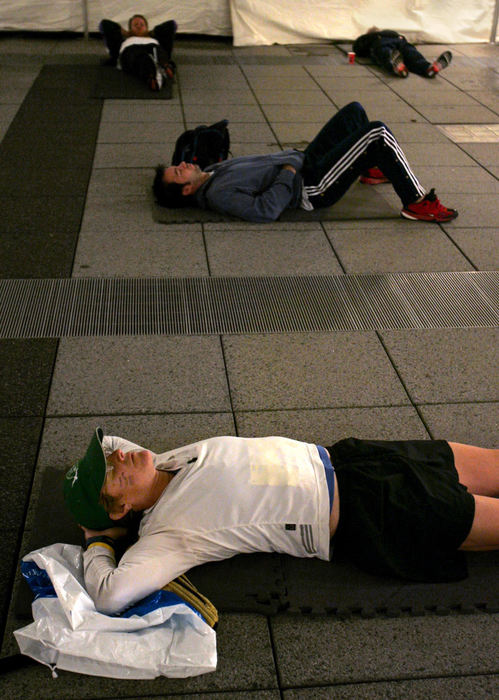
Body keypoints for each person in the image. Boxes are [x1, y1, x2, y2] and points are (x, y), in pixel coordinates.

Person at [64, 428, 498, 615]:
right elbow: (109, 595)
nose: (120, 455)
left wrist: (107, 475)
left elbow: (117, 444)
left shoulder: (163, 464)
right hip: (377, 512)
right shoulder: (170, 534)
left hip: (357, 458)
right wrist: (100, 539)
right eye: (113, 471)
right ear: (121, 510)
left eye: (110, 456)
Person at [152, 102, 457, 223]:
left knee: (354, 112)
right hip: (311, 185)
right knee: (376, 132)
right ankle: (417, 202)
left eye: (177, 166)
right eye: (178, 173)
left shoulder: (211, 174)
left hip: (302, 161)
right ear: (186, 191)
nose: (182, 165)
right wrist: (287, 171)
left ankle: (372, 167)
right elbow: (265, 211)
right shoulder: (218, 194)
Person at [99, 14, 177, 91]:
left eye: (142, 24)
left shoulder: (153, 38)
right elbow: (104, 24)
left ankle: (164, 66)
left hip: (152, 46)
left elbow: (171, 24)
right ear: (130, 29)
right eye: (135, 25)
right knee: (142, 58)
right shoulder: (124, 40)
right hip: (131, 50)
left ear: (147, 28)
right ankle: (153, 75)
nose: (139, 26)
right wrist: (125, 33)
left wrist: (152, 32)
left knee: (157, 52)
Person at [353, 27, 452, 79]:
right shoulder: (392, 33)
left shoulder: (370, 38)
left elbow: (357, 48)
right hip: (401, 43)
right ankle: (428, 68)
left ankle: (397, 66)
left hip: (382, 44)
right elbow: (402, 37)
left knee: (385, 53)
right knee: (413, 55)